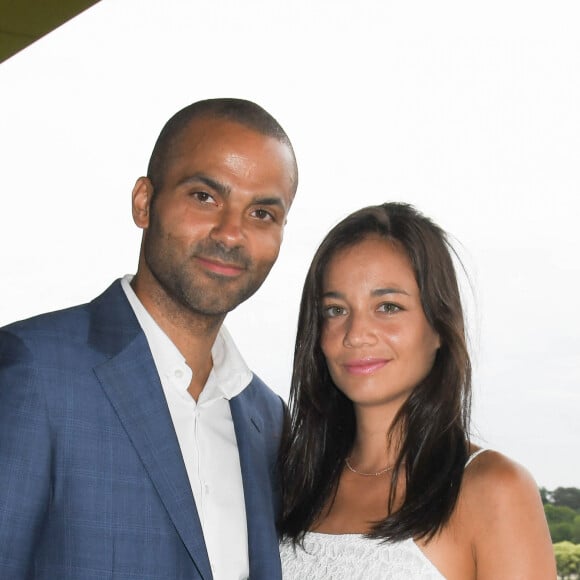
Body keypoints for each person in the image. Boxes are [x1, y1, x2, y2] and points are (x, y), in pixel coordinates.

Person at [0, 98, 298, 580]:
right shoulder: (34, 371)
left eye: (262, 213)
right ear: (144, 202)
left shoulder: (267, 419)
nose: (231, 233)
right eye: (205, 197)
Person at [278, 202, 555, 579]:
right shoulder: (289, 483)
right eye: (335, 310)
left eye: (388, 307)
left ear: (440, 326)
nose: (356, 334)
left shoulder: (492, 488)